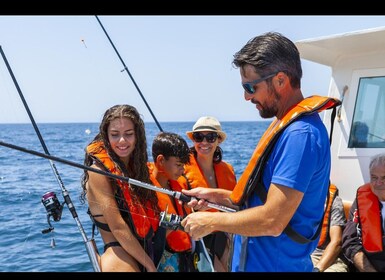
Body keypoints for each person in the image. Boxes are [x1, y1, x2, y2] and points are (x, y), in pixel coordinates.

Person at [180, 32, 341, 272]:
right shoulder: (287, 127)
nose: (246, 96)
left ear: (280, 80)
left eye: (251, 86)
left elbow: (273, 220)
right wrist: (217, 196)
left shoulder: (300, 136)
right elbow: (265, 201)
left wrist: (211, 221)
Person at [80, 104, 163, 272]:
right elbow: (118, 227)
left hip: (145, 253)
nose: (122, 141)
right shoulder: (98, 172)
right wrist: (150, 267)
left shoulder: (136, 169)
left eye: (129, 134)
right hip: (120, 258)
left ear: (137, 136)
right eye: (115, 135)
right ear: (106, 136)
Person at [177, 116, 237, 272]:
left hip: (225, 236)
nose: (204, 142)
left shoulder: (228, 170)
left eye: (210, 137)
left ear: (218, 141)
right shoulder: (181, 169)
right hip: (198, 238)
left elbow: (236, 204)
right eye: (198, 137)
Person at [147, 131, 197, 272]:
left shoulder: (179, 185)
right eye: (179, 165)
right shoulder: (145, 190)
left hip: (186, 258)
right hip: (162, 260)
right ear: (161, 160)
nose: (182, 170)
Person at [341, 152, 385, 272]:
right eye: (374, 177)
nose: (378, 183)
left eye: (384, 178)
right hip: (368, 265)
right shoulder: (362, 200)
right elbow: (350, 242)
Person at [311, 184, 349, 272]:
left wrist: (317, 269)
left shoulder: (334, 201)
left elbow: (336, 242)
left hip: (327, 257)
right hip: (300, 254)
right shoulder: (294, 196)